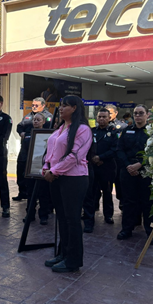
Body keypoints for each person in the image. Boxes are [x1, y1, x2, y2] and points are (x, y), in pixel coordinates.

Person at [43, 95, 92, 273]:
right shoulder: (60, 128)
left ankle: (73, 260)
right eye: (61, 105)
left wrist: (54, 171)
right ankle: (62, 253)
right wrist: (46, 167)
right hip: (56, 178)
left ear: (75, 108)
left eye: (65, 106)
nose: (61, 108)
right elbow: (50, 152)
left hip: (74, 179)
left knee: (72, 219)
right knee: (61, 218)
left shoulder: (83, 129)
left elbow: (75, 155)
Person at [116, 105, 153, 243]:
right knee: (128, 202)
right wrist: (128, 165)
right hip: (128, 171)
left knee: (147, 202)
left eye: (141, 113)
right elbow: (119, 150)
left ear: (147, 115)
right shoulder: (126, 131)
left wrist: (140, 164)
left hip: (146, 171)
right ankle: (126, 229)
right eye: (135, 113)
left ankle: (150, 233)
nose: (138, 116)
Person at [14, 97, 53, 201]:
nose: (34, 107)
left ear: (43, 106)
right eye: (33, 105)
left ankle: (40, 198)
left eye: (36, 105)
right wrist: (21, 132)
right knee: (21, 172)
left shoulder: (49, 117)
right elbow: (19, 126)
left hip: (39, 151)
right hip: (25, 148)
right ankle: (22, 193)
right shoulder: (28, 116)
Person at [18, 114, 51, 224]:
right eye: (34, 120)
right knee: (30, 193)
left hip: (43, 167)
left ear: (43, 122)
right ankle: (30, 214)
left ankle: (43, 216)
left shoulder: (48, 134)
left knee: (43, 193)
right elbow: (24, 151)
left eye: (38, 120)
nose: (36, 121)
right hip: (30, 167)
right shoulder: (27, 134)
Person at [90, 108, 118, 225]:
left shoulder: (113, 132)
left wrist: (101, 158)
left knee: (107, 192)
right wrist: (93, 158)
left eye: (104, 117)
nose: (101, 119)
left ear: (109, 118)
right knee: (91, 192)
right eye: (99, 117)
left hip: (107, 166)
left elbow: (115, 149)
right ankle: (89, 214)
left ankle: (108, 216)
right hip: (92, 166)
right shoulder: (91, 131)